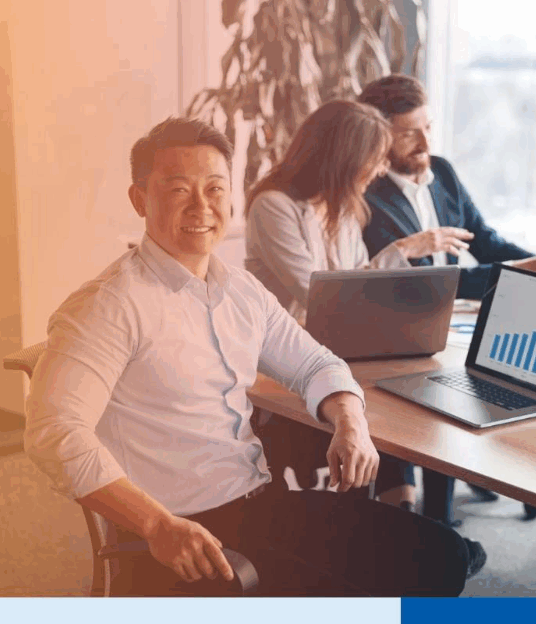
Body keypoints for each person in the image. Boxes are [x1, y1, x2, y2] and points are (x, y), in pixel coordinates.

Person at [24, 116, 482, 596]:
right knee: (372, 587)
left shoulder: (240, 290)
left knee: (440, 555)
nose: (201, 206)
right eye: (179, 190)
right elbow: (55, 431)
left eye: (215, 189)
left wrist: (350, 423)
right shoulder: (108, 305)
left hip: (258, 505)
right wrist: (156, 525)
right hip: (181, 533)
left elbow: (316, 364)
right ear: (140, 199)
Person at [358, 74, 536, 523]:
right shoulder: (368, 197)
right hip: (405, 328)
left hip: (457, 328)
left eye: (428, 126)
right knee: (440, 380)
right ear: (378, 135)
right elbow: (439, 282)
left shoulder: (441, 171)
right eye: (409, 132)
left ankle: (487, 471)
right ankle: (431, 517)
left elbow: (484, 241)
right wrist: (525, 274)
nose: (424, 140)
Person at [244, 100, 480, 515]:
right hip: (285, 362)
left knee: (423, 388)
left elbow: (356, 283)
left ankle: (410, 515)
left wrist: (399, 257)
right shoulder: (274, 206)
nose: (377, 170)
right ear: (343, 157)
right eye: (374, 159)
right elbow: (318, 292)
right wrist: (403, 250)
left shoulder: (345, 207)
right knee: (385, 406)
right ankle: (391, 518)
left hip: (337, 347)